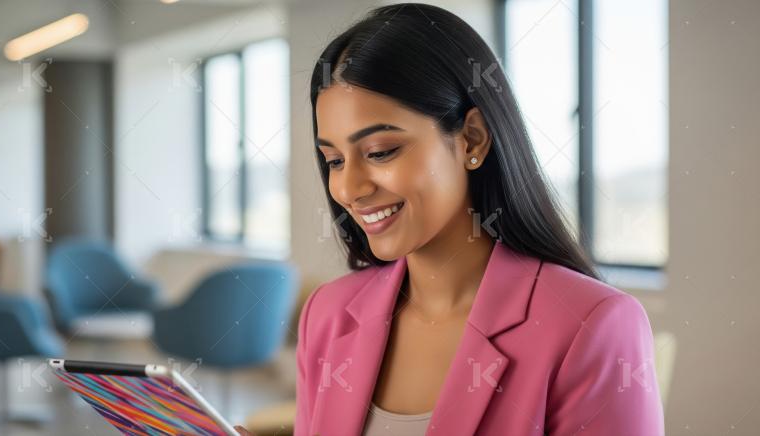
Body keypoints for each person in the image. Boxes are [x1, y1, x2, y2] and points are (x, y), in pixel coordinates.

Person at [238, 2, 664, 435]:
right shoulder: (328, 315)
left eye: (381, 152)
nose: (349, 189)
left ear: (471, 138)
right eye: (333, 160)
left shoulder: (593, 325)